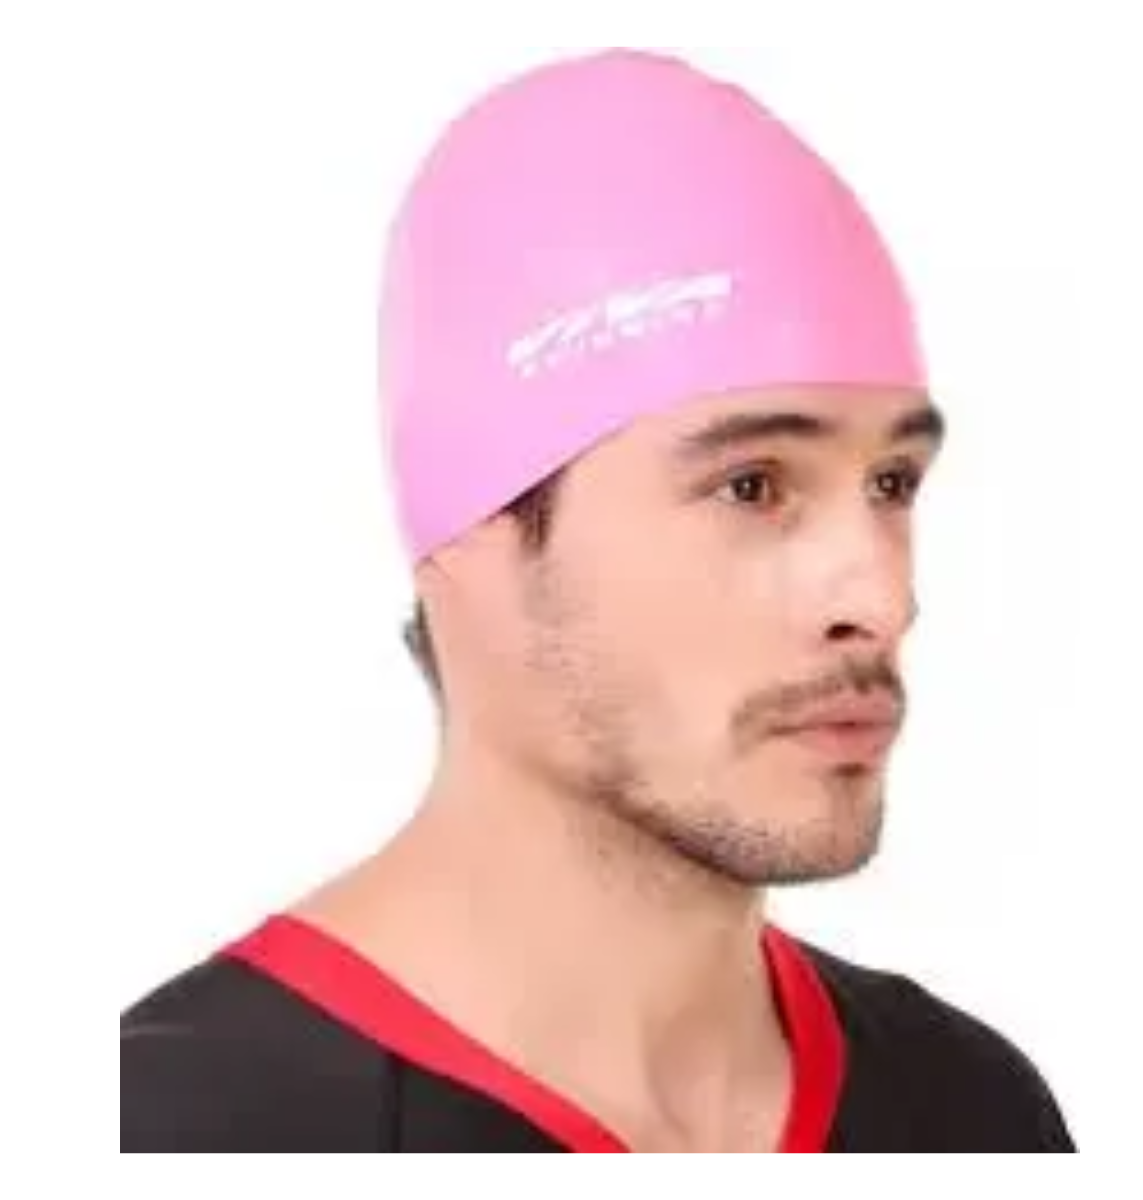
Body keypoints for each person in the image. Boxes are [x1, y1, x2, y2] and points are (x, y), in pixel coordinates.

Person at [120, 47, 1076, 1152]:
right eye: (752, 486)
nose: (883, 595)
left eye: (892, 484)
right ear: (468, 534)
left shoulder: (975, 1112)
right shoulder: (173, 1132)